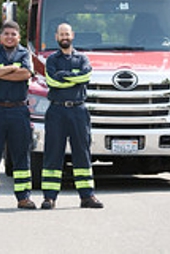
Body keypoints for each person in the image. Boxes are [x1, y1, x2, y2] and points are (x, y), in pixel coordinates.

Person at [41, 23, 104, 209]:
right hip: (57, 111)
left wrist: (64, 76)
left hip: (78, 110)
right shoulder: (51, 60)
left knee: (82, 153)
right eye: (61, 34)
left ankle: (87, 196)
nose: (64, 37)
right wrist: (73, 76)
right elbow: (52, 81)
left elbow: (86, 77)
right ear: (56, 37)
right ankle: (49, 197)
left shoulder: (83, 58)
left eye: (67, 33)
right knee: (53, 153)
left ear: (73, 35)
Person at [0, 20, 36, 210]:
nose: (9, 37)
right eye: (6, 34)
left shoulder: (25, 53)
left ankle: (23, 197)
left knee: (21, 154)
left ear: (19, 37)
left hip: (18, 110)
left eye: (13, 34)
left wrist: (0, 71)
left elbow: (26, 74)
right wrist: (12, 68)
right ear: (0, 36)